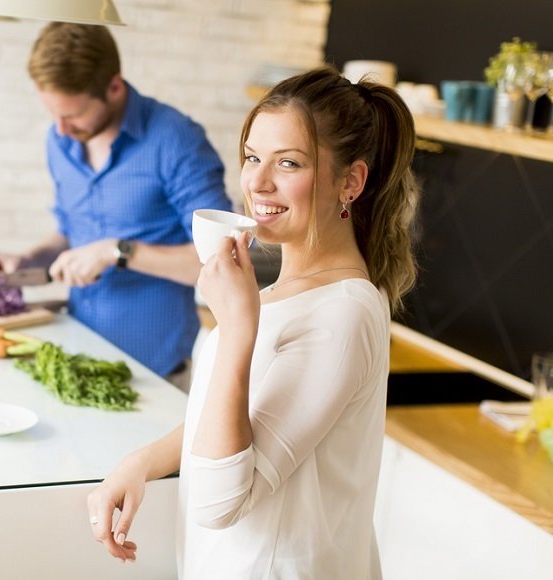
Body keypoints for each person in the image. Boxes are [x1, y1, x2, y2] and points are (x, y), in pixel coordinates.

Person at [86, 66, 420, 579]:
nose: (258, 182)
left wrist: (239, 330)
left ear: (350, 182)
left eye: (288, 162)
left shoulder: (343, 313)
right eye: (251, 158)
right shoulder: (286, 292)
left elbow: (221, 502)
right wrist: (145, 460)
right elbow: (250, 415)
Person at [0, 23, 233, 388]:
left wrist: (119, 251)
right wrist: (28, 261)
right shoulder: (60, 142)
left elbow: (222, 261)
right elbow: (71, 232)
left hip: (153, 376)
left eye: (73, 116)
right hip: (79, 358)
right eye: (54, 115)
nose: (60, 129)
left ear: (114, 87)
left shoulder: (177, 141)